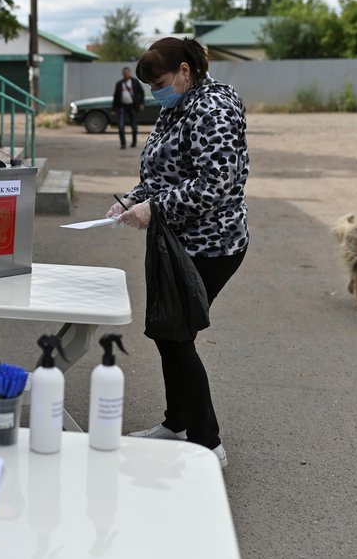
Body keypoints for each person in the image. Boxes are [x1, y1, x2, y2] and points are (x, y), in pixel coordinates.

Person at [106, 37, 249, 469]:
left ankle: (208, 444)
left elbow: (216, 183)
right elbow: (162, 170)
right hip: (176, 242)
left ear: (185, 72)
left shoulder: (214, 109)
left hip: (213, 243)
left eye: (162, 83)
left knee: (175, 335)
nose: (157, 93)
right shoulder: (177, 107)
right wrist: (133, 198)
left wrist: (155, 208)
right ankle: (176, 423)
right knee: (171, 332)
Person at [112, 66, 145, 149]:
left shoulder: (134, 82)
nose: (126, 74)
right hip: (121, 106)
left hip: (132, 106)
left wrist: (141, 103)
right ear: (122, 74)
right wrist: (114, 109)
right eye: (124, 73)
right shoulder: (119, 84)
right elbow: (115, 97)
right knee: (121, 125)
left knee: (134, 125)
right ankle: (123, 144)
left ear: (130, 73)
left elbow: (141, 92)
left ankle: (134, 142)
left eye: (127, 73)